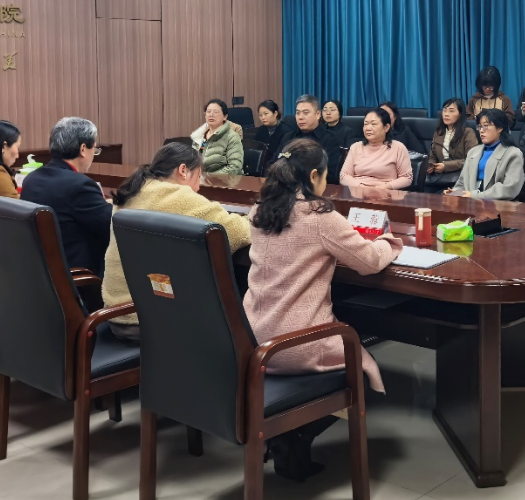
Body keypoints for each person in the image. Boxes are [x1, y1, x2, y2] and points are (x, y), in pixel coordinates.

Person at [246, 139, 403, 480]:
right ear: (314, 176)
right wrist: (388, 240)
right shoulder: (319, 216)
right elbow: (369, 261)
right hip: (296, 344)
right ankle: (296, 434)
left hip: (253, 339)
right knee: (361, 367)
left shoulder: (259, 210)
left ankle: (287, 433)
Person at [102, 142, 251, 342]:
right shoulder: (177, 196)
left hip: (118, 313)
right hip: (152, 321)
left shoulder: (132, 191)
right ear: (183, 170)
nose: (198, 187)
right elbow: (238, 232)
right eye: (198, 176)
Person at [20, 117, 112, 277]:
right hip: (79, 277)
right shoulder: (80, 185)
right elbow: (111, 225)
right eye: (94, 149)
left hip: (41, 274)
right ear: (83, 149)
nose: (94, 155)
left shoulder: (32, 179)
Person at [447, 109, 525, 200]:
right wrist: (455, 192)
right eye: (480, 126)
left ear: (500, 128)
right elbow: (462, 182)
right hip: (470, 201)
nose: (481, 130)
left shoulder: (513, 154)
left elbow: (509, 188)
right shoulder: (473, 152)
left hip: (498, 204)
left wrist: (475, 195)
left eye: (486, 126)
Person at [272, 95, 342, 184]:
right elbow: (274, 163)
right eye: (298, 113)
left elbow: (330, 175)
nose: (300, 117)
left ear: (318, 114)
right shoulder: (288, 137)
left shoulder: (330, 139)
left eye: (305, 113)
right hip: (284, 186)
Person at [339, 109, 413, 190]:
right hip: (358, 192)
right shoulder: (355, 147)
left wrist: (385, 187)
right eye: (365, 124)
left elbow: (407, 178)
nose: (368, 128)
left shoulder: (398, 148)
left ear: (386, 127)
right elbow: (344, 176)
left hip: (386, 193)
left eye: (373, 124)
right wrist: (361, 187)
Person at [425, 97, 479, 193]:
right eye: (444, 110)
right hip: (438, 178)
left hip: (459, 179)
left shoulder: (468, 133)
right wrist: (431, 165)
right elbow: (432, 157)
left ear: (460, 114)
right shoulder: (438, 132)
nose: (446, 114)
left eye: (451, 111)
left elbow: (471, 160)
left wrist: (446, 166)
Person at [190, 99, 243, 175]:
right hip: (200, 178)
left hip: (222, 180)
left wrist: (207, 177)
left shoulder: (232, 137)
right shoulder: (199, 136)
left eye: (216, 112)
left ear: (225, 117)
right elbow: (192, 162)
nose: (211, 115)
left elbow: (235, 168)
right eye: (208, 111)